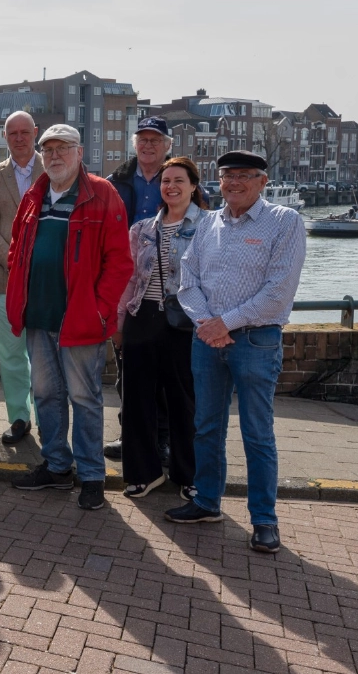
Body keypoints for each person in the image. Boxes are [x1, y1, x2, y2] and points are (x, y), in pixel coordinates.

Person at [165, 150, 306, 555]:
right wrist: (208, 323)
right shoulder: (208, 223)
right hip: (207, 340)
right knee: (206, 425)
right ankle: (206, 501)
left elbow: (279, 290)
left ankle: (264, 520)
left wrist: (224, 323)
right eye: (228, 175)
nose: (234, 182)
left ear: (263, 181)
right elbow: (187, 280)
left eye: (245, 175)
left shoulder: (284, 222)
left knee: (257, 432)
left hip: (256, 341)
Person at [6, 125, 132, 510]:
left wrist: (98, 308)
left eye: (64, 148)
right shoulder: (34, 195)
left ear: (80, 153)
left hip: (80, 319)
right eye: (49, 149)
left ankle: (92, 474)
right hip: (39, 316)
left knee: (85, 397)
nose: (55, 156)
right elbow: (16, 248)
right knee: (45, 394)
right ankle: (58, 466)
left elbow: (120, 262)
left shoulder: (101, 193)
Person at [115, 156, 206, 500]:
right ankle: (144, 472)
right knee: (138, 401)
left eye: (178, 180)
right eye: (165, 181)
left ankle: (188, 475)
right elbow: (128, 280)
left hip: (185, 322)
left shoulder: (209, 228)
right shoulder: (141, 230)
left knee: (185, 402)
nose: (170, 186)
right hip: (143, 318)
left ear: (194, 186)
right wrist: (120, 324)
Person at [104, 115, 175, 461]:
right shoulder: (115, 181)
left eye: (155, 140)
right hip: (123, 283)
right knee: (126, 367)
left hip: (164, 287)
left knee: (163, 369)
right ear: (135, 144)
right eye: (143, 139)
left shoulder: (178, 179)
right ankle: (130, 433)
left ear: (167, 146)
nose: (148, 145)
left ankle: (162, 438)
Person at [0, 111, 44, 445]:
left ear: (35, 133)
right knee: (11, 354)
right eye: (12, 133)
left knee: (49, 357)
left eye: (24, 132)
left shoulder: (56, 168)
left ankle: (50, 419)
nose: (19, 138)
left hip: (49, 281)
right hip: (4, 280)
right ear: (5, 137)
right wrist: (14, 261)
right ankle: (19, 417)